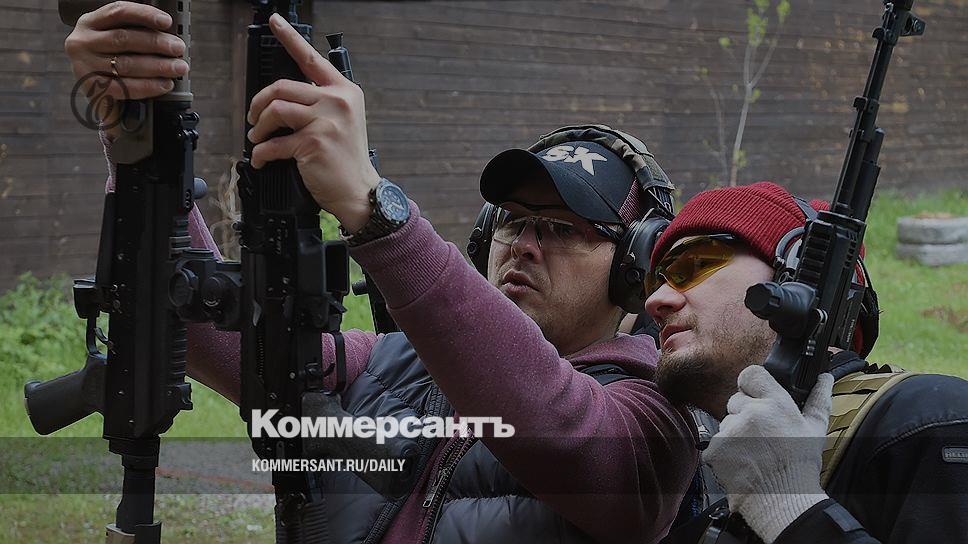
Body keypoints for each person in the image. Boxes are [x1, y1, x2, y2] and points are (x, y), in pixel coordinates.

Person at [64, 3, 698, 542]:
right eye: (514, 220)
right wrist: (142, 134)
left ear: (635, 267)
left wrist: (376, 212)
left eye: (563, 229)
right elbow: (222, 340)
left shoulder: (659, 418)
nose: (527, 246)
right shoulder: (396, 364)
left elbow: (566, 431)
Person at [642, 181, 968, 543]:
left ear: (797, 275)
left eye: (695, 264)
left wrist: (788, 508)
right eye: (654, 282)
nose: (655, 301)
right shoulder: (711, 519)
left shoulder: (932, 420)